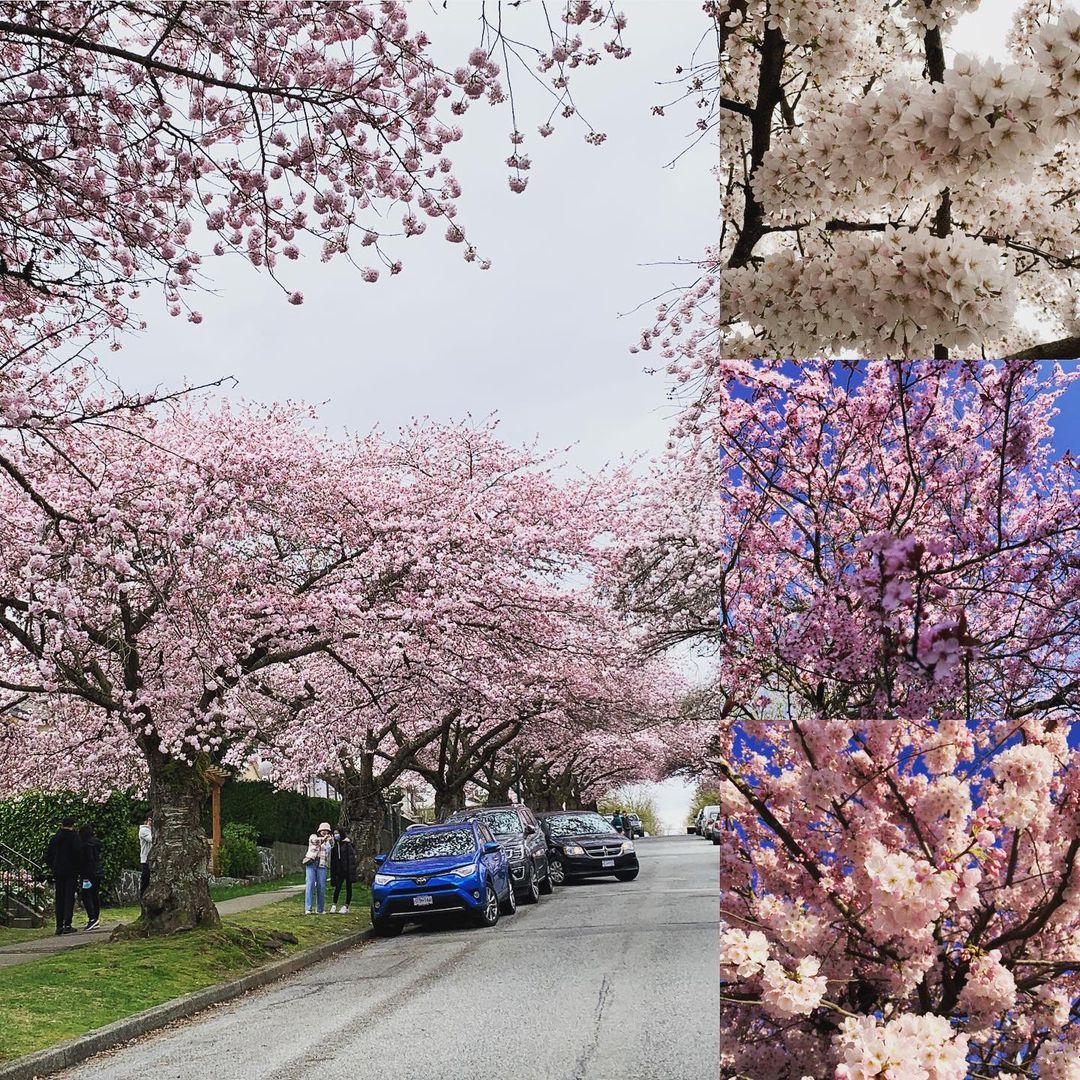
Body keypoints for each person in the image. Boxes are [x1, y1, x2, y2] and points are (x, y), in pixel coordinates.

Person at [45, 817, 81, 935]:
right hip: (71, 871)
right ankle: (67, 924)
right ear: (72, 825)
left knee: (59, 897)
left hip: (58, 871)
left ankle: (59, 925)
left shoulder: (55, 838)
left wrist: (53, 867)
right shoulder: (74, 837)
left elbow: (49, 855)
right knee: (69, 897)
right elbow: (78, 853)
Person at [303, 821, 334, 915]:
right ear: (319, 830)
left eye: (327, 830)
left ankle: (320, 909)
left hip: (322, 865)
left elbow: (329, 849)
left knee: (321, 886)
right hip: (311, 863)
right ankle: (308, 908)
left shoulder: (328, 841)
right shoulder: (313, 836)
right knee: (310, 884)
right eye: (323, 830)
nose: (325, 832)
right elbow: (315, 842)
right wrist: (324, 839)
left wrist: (331, 842)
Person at [78, 824, 102, 930]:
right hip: (97, 872)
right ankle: (95, 917)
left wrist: (85, 874)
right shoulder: (95, 843)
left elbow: (87, 860)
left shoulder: (85, 845)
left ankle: (92, 918)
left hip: (88, 874)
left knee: (86, 895)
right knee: (95, 895)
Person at [329, 829, 358, 914]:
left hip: (347, 870)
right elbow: (333, 862)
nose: (335, 835)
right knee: (337, 887)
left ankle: (346, 906)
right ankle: (334, 904)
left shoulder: (347, 845)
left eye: (337, 833)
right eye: (334, 834)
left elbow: (351, 859)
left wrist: (351, 872)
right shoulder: (334, 847)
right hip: (339, 871)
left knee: (349, 888)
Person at [138, 813, 153, 897]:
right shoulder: (144, 830)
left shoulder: (152, 830)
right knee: (145, 881)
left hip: (153, 859)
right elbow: (151, 839)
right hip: (146, 859)